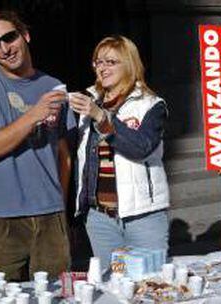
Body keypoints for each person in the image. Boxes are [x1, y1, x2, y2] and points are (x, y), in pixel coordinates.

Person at [0, 10, 75, 284]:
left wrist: (61, 209)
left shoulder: (52, 86)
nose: (4, 48)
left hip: (50, 216)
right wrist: (34, 114)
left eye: (9, 38)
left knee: (56, 296)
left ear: (25, 35)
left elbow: (63, 156)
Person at [69, 35, 170, 269]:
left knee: (148, 285)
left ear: (129, 64)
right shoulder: (90, 101)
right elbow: (80, 162)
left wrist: (101, 117)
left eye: (110, 62)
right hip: (99, 218)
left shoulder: (151, 104)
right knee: (111, 289)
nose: (102, 68)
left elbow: (141, 147)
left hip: (143, 216)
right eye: (98, 62)